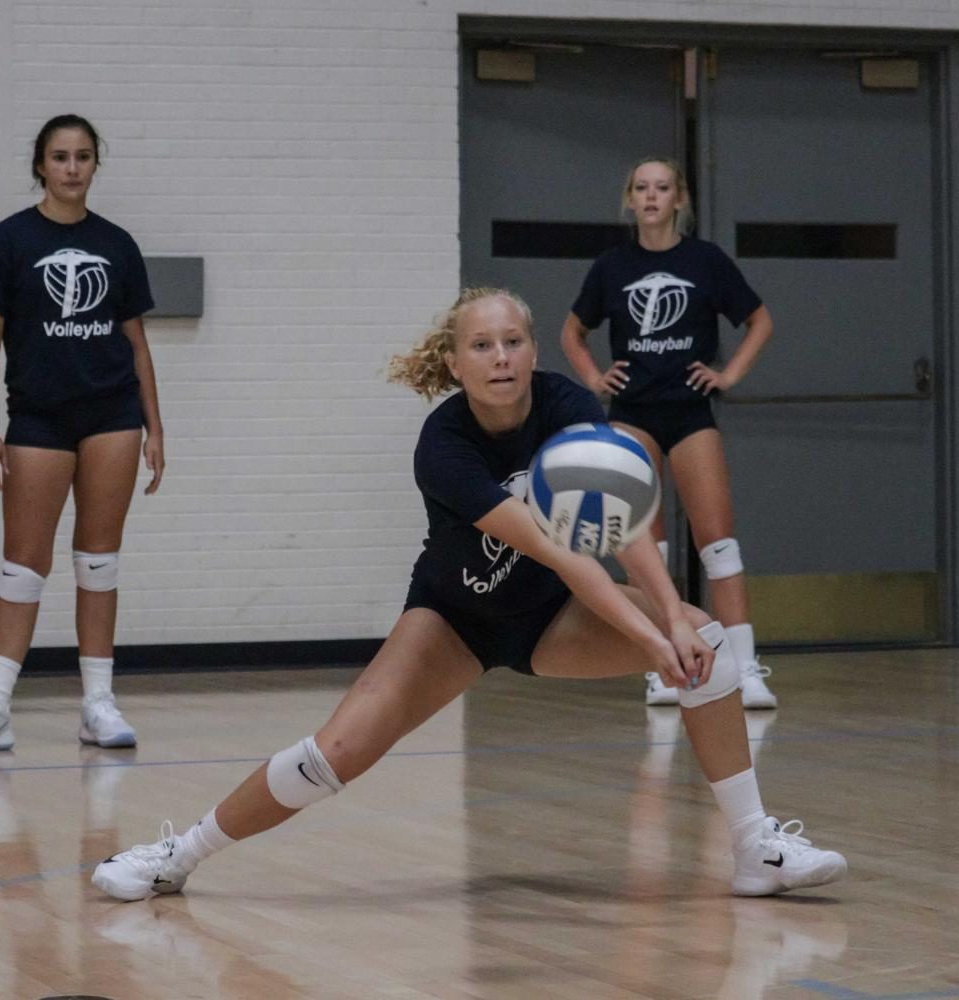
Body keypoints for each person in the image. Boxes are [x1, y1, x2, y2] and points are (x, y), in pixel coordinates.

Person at [92, 288, 844, 901]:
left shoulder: (568, 408)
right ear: (453, 362)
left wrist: (674, 617)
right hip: (453, 620)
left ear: (533, 350)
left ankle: (755, 850)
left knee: (706, 645)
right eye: (481, 345)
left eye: (512, 341)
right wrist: (654, 646)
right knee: (335, 753)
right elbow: (551, 544)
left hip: (552, 618)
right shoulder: (443, 445)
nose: (500, 358)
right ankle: (178, 855)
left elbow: (617, 530)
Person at [0, 114, 164, 754]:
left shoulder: (117, 244)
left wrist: (155, 428)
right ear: (40, 164)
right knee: (23, 567)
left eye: (83, 156)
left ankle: (97, 704)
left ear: (95, 164)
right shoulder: (7, 241)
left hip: (112, 417)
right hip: (37, 418)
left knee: (98, 562)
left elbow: (137, 346)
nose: (71, 168)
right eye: (59, 157)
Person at [561, 156, 777, 710]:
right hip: (633, 413)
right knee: (646, 553)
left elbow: (760, 320)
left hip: (689, 415)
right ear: (629, 199)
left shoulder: (705, 261)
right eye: (641, 188)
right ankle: (662, 664)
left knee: (720, 547)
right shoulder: (612, 267)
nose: (652, 197)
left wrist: (728, 374)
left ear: (679, 199)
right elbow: (571, 331)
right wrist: (593, 377)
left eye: (662, 188)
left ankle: (746, 668)